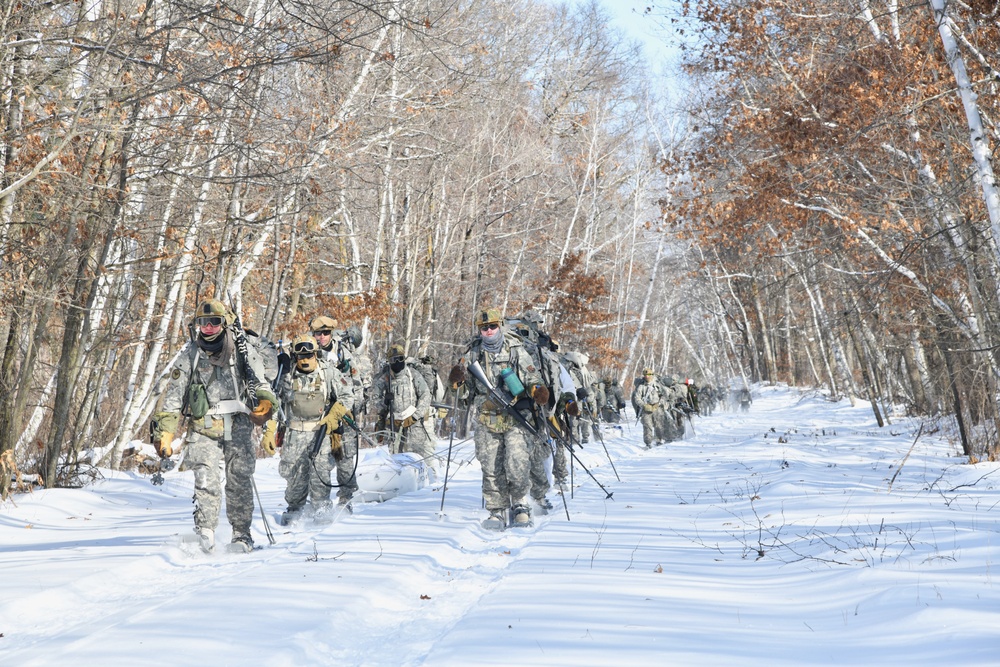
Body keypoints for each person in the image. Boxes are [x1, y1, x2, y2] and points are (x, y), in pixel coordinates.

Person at [151, 299, 278, 553]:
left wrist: (266, 404)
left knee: (239, 480)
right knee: (206, 480)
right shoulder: (191, 354)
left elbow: (260, 381)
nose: (208, 328)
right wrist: (165, 432)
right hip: (203, 427)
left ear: (224, 324)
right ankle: (206, 531)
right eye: (203, 323)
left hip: (238, 425)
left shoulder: (241, 350)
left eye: (214, 323)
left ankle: (242, 535)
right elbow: (174, 395)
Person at [450, 307, 546, 530]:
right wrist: (457, 382)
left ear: (500, 325)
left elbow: (532, 376)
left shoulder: (516, 349)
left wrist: (537, 390)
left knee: (517, 462)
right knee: (491, 466)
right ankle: (496, 510)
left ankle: (520, 504)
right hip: (487, 418)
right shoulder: (472, 354)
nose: (489, 331)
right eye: (484, 328)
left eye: (493, 326)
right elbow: (464, 393)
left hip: (515, 416)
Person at [276, 334, 356, 525]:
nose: (305, 359)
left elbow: (347, 396)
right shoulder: (286, 374)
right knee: (294, 475)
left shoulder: (328, 372)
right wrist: (279, 369)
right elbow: (274, 398)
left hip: (321, 431)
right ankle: (294, 510)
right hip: (294, 434)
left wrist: (334, 414)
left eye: (309, 355)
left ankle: (321, 510)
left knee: (320, 473)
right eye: (300, 356)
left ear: (316, 354)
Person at [371, 343, 433, 466]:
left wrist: (415, 416)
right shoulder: (385, 378)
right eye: (394, 360)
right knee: (396, 458)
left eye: (401, 358)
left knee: (417, 458)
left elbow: (426, 395)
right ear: (389, 361)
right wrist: (384, 403)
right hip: (395, 424)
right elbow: (374, 398)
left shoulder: (413, 374)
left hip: (413, 424)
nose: (398, 362)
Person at [632, 368, 665, 448]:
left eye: (649, 375)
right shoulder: (641, 387)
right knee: (647, 426)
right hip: (646, 409)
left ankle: (659, 440)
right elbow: (637, 398)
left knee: (658, 425)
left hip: (657, 408)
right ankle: (648, 443)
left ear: (652, 375)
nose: (647, 376)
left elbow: (664, 395)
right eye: (645, 375)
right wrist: (644, 405)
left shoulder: (657, 385)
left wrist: (659, 403)